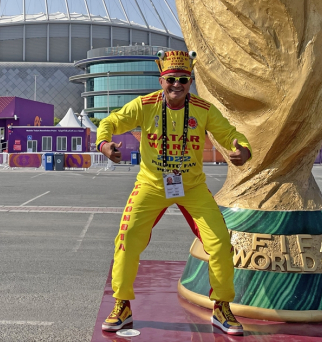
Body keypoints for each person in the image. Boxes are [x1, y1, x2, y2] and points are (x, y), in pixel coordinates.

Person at [96, 50, 252, 336]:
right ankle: (122, 304)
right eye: (171, 79)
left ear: (190, 82)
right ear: (161, 80)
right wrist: (105, 145)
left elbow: (229, 132)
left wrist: (241, 147)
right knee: (127, 237)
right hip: (151, 185)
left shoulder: (203, 110)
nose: (176, 84)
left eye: (183, 79)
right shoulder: (144, 106)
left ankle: (222, 307)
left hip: (192, 187)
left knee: (219, 242)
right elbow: (110, 122)